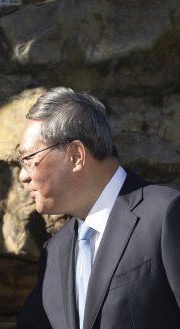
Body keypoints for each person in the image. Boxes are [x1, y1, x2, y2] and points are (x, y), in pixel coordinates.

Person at [15, 87, 180, 329]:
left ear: (76, 156)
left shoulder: (164, 215)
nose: (22, 176)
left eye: (29, 159)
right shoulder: (55, 251)